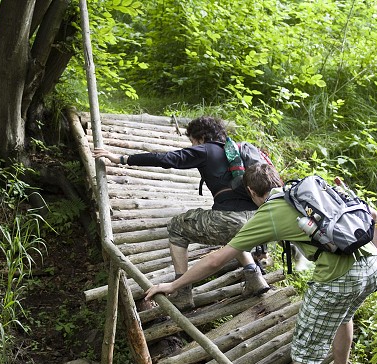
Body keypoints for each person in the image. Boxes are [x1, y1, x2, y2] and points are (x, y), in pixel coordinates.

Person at [145, 162, 377, 364]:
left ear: (252, 193)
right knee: (344, 316)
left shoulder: (271, 211)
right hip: (371, 266)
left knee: (303, 357)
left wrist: (174, 284)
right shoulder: (310, 192)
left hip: (339, 277)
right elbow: (372, 216)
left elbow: (217, 258)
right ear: (279, 180)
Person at [92, 116, 270, 311]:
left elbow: (167, 159)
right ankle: (255, 278)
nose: (192, 145)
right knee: (235, 233)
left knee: (177, 226)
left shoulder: (206, 149)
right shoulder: (236, 152)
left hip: (230, 220)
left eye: (192, 141)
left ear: (201, 137)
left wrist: (122, 159)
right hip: (258, 221)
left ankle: (183, 292)